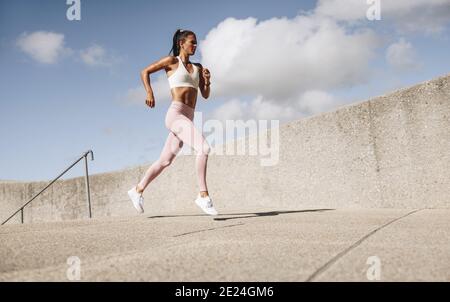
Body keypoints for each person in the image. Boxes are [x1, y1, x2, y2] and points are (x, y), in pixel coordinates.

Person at [127, 29, 218, 216]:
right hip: (175, 115)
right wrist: (150, 92)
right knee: (204, 148)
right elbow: (145, 71)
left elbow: (205, 95)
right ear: (181, 44)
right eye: (191, 42)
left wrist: (207, 81)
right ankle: (203, 195)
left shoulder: (198, 67)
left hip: (188, 116)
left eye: (196, 43)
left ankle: (137, 190)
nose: (195, 46)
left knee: (165, 160)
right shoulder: (171, 62)